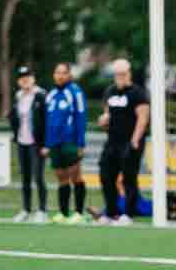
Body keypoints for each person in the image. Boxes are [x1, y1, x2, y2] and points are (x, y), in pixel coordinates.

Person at [96, 59, 150, 226]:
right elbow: (106, 114)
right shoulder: (110, 92)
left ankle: (128, 213)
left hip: (130, 141)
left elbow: (143, 117)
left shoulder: (138, 93)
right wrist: (103, 121)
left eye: (123, 73)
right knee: (106, 174)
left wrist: (135, 139)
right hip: (112, 140)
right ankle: (111, 212)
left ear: (129, 74)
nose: (120, 77)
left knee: (128, 177)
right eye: (117, 74)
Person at [43, 63, 87, 224]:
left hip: (70, 141)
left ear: (69, 75)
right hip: (54, 143)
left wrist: (81, 144)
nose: (60, 76)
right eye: (57, 72)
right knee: (61, 177)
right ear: (54, 75)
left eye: (63, 73)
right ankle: (63, 212)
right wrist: (47, 144)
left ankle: (79, 212)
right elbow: (48, 120)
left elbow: (81, 117)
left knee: (75, 175)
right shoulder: (52, 94)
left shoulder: (75, 92)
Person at [7, 67, 48, 223]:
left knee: (38, 176)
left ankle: (42, 210)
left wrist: (45, 144)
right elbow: (16, 117)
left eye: (28, 77)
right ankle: (26, 209)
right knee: (25, 178)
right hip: (22, 141)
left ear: (33, 78)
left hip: (37, 143)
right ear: (18, 81)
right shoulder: (18, 96)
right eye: (22, 77)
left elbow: (46, 121)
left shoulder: (41, 95)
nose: (25, 80)